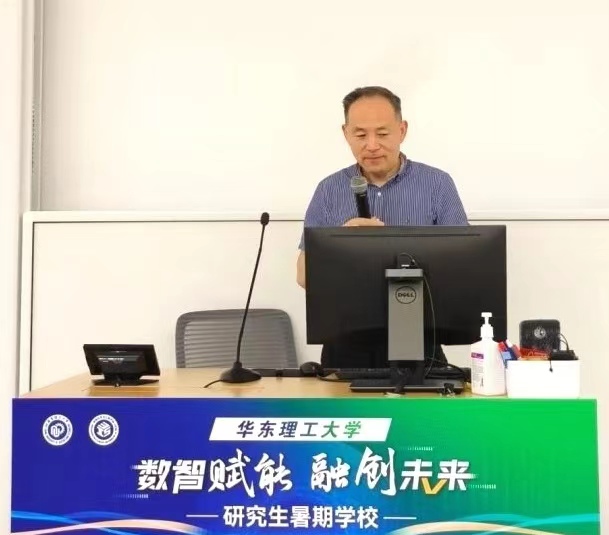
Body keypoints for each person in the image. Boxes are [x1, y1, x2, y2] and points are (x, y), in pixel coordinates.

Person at [297, 86, 468, 369]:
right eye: (360, 135)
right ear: (346, 134)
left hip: (418, 334)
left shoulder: (437, 184)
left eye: (383, 133)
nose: (372, 145)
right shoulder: (329, 189)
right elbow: (304, 276)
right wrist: (339, 244)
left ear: (402, 130)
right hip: (346, 339)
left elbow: (464, 266)